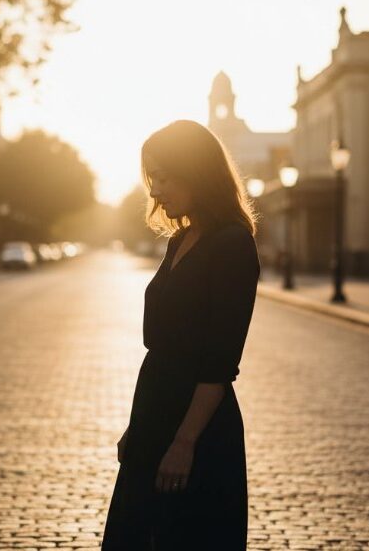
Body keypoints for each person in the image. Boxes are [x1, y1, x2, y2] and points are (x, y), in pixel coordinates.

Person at [100, 119, 260, 550]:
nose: (155, 191)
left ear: (196, 173)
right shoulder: (181, 239)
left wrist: (185, 443)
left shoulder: (232, 244)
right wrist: (139, 426)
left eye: (164, 178)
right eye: (152, 179)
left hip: (197, 428)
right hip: (154, 414)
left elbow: (219, 362)